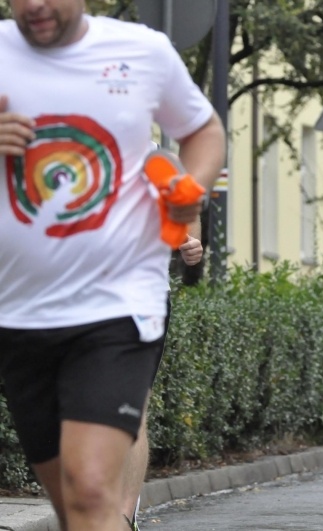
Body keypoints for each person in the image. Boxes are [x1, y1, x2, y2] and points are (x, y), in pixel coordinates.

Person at [0, 2, 225, 530]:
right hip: (19, 312)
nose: (34, 4)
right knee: (74, 504)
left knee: (91, 487)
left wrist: (191, 188)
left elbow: (203, 131)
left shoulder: (141, 51)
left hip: (118, 305)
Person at [123, 229, 203, 531]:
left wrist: (190, 242)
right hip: (69, 297)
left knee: (131, 404)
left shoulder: (152, 180)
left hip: (141, 296)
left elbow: (183, 217)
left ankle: (123, 518)